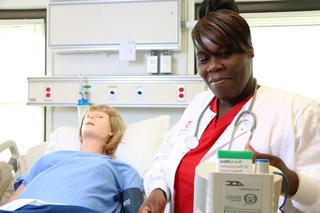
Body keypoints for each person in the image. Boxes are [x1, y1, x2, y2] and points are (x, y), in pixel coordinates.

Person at [139, 0, 320, 212]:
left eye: (225, 53)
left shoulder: (298, 112)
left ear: (249, 51)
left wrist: (288, 179)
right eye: (204, 58)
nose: (214, 66)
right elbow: (164, 158)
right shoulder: (198, 105)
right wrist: (158, 191)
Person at [1, 105, 143, 213]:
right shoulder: (50, 158)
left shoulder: (120, 168)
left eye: (99, 117)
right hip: (24, 207)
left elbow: (134, 206)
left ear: (112, 130)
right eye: (88, 116)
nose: (91, 118)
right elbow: (15, 198)